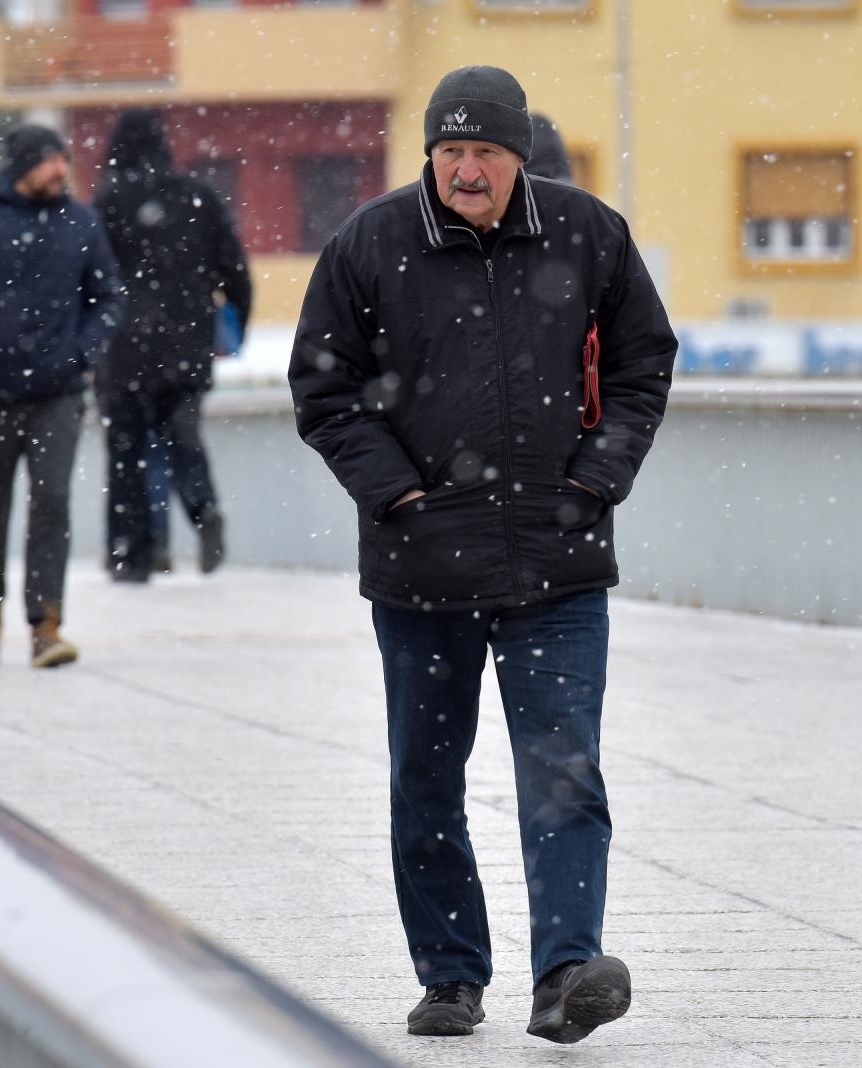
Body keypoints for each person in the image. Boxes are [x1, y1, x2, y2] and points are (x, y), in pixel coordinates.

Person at [288, 66, 676, 1044]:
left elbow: (643, 362)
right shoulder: (369, 244)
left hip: (558, 562)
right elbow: (322, 389)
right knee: (426, 778)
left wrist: (595, 480)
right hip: (421, 567)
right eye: (451, 152)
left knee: (564, 774)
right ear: (430, 155)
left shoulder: (587, 234)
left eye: (486, 153)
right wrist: (398, 495)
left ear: (517, 159)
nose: (467, 170)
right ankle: (451, 978)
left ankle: (564, 978)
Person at [0, 124, 122, 668]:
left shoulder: (82, 224)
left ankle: (45, 624)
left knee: (51, 502)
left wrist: (81, 354)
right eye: (48, 162)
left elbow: (108, 299)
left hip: (57, 393)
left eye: (63, 160)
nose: (61, 170)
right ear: (20, 166)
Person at [93, 108, 250, 582]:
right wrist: (235, 324)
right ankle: (204, 509)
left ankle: (131, 554)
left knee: (126, 451)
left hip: (123, 347)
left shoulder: (107, 201)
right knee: (183, 437)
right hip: (188, 342)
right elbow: (235, 270)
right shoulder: (198, 197)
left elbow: (87, 278)